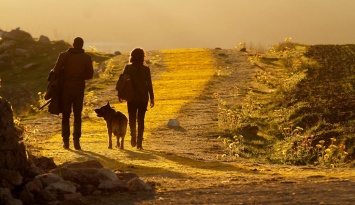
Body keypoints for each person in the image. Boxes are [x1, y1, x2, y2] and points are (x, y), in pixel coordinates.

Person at [53, 37, 94, 150]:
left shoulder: (63, 56)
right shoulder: (87, 58)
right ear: (82, 45)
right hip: (79, 88)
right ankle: (76, 141)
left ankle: (66, 141)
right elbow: (90, 75)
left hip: (65, 88)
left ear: (73, 44)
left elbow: (55, 71)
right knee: (77, 115)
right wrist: (80, 78)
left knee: (65, 115)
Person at [119, 48, 154, 150]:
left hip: (131, 97)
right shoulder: (146, 69)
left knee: (132, 117)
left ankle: (133, 135)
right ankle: (139, 142)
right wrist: (152, 97)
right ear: (143, 57)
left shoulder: (128, 68)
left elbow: (123, 82)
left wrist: (120, 94)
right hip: (143, 97)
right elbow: (149, 85)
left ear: (132, 56)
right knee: (141, 119)